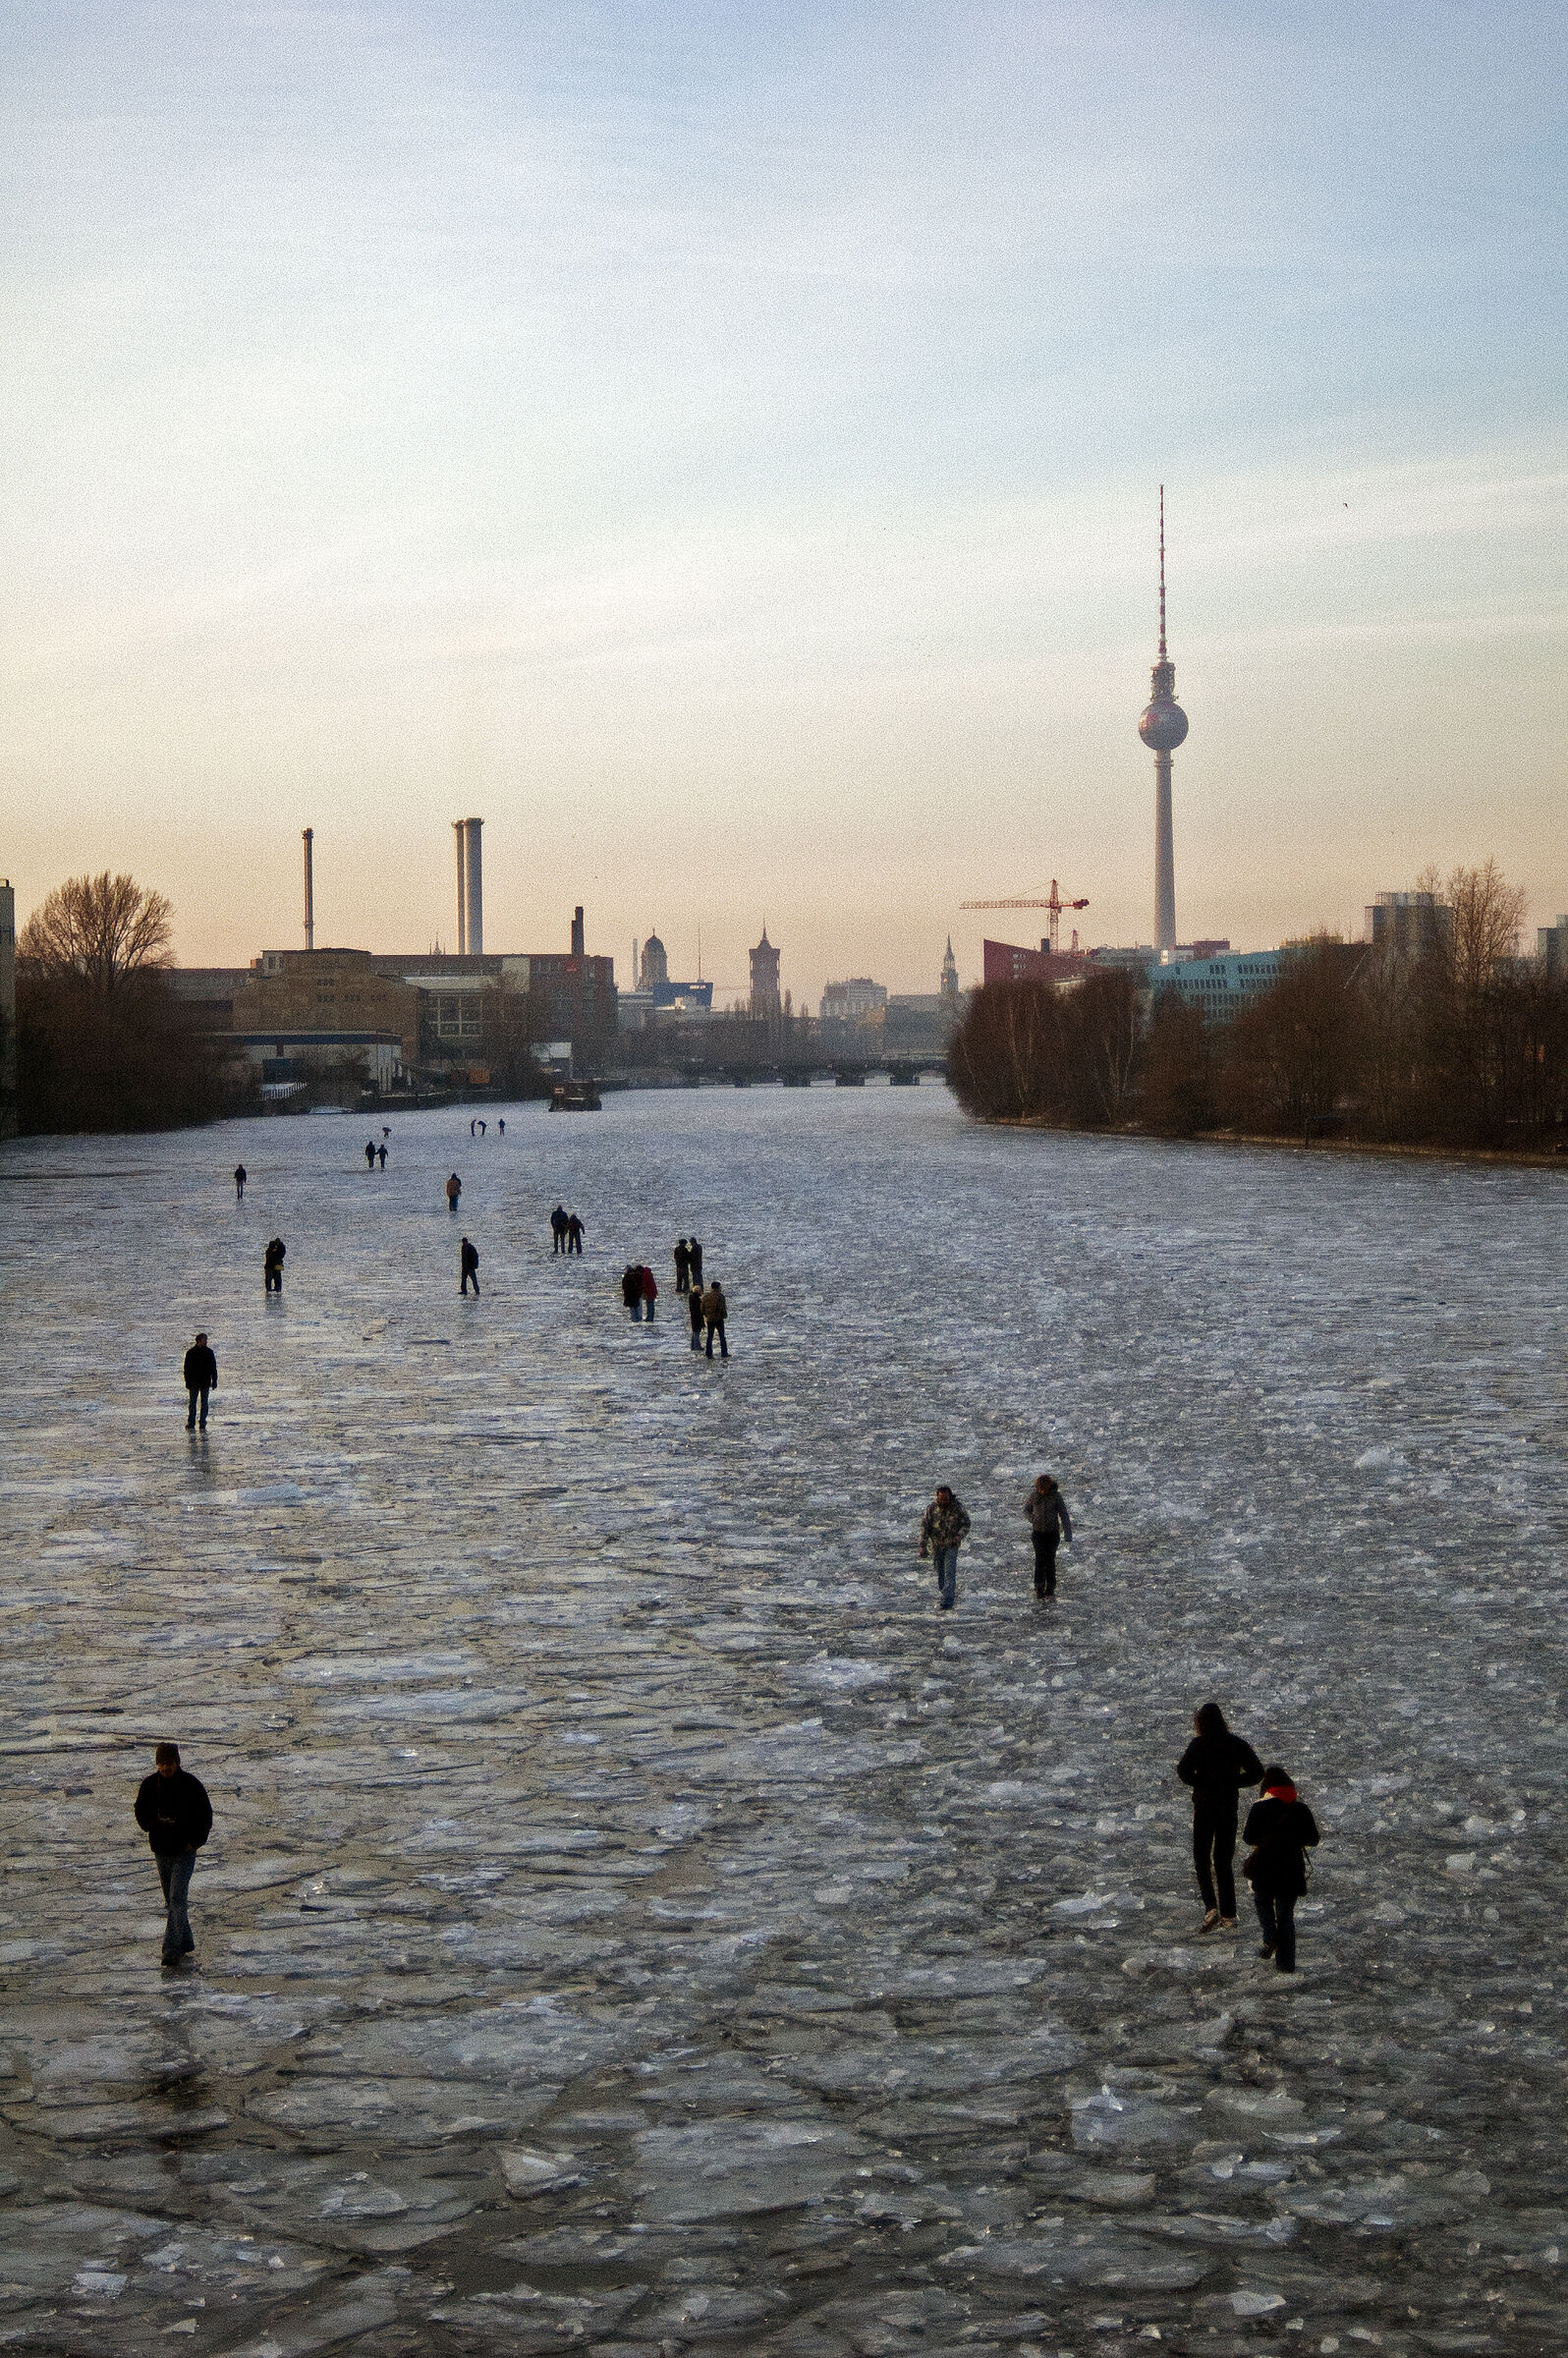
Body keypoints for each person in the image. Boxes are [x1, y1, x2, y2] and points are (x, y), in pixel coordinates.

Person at [1177, 1702, 1265, 1933]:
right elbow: (1258, 1772)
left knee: (1202, 1858)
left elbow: (1183, 1771)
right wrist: (1233, 1782)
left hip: (1205, 1807)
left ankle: (1211, 1908)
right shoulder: (1235, 1744)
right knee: (1223, 1860)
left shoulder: (1198, 1744)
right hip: (1227, 1806)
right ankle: (1229, 1913)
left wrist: (1202, 1783)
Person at [134, 1742, 212, 1968]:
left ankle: (171, 1951)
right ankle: (185, 1940)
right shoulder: (150, 1785)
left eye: (170, 1763)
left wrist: (194, 1841)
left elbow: (205, 1815)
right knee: (172, 1901)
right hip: (161, 1850)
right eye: (162, 1764)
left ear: (177, 1763)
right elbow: (140, 1810)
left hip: (184, 1851)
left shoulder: (191, 1785)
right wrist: (150, 1826)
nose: (166, 1768)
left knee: (177, 1897)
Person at [1243, 1766, 1320, 1974]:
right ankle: (1286, 1966)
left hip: (1265, 1868)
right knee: (1286, 1916)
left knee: (1262, 1901)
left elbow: (1248, 1838)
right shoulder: (1300, 1809)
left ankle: (1270, 1936)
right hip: (1291, 1870)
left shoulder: (1259, 1808)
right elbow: (1313, 1839)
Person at [920, 1485, 971, 1609]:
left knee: (949, 1572)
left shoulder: (957, 1508)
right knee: (940, 1572)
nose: (944, 1501)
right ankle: (944, 1592)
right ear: (937, 1496)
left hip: (951, 1545)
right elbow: (925, 1528)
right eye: (941, 1499)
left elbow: (966, 1523)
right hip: (937, 1546)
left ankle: (948, 1599)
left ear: (950, 1496)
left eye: (946, 1499)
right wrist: (923, 1546)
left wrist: (959, 1536)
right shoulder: (931, 1509)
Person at [1025, 1475, 1073, 1600]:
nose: (1041, 1491)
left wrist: (1068, 1534)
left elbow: (1064, 1515)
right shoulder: (1034, 1496)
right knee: (1040, 1559)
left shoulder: (1056, 1496)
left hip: (1052, 1534)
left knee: (1050, 1560)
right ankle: (1039, 1587)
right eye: (1039, 1489)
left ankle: (1050, 1587)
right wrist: (1032, 1519)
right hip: (1037, 1533)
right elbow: (1026, 1509)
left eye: (1043, 1489)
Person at [183, 1332, 217, 1431]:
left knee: (204, 1403)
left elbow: (213, 1368)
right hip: (194, 1382)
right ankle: (191, 1422)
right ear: (199, 1341)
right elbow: (186, 1369)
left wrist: (214, 1380)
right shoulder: (191, 1353)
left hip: (205, 1382)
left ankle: (202, 1422)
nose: (206, 1342)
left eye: (206, 1340)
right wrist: (187, 1381)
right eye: (204, 1340)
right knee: (193, 1403)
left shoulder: (209, 1352)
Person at [701, 1278, 728, 1359]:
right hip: (718, 1318)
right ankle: (724, 1353)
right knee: (722, 1336)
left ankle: (709, 1353)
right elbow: (722, 1308)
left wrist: (707, 1315)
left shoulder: (706, 1296)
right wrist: (724, 1315)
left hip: (709, 1319)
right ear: (718, 1288)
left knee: (710, 1336)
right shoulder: (720, 1296)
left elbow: (702, 1308)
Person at [688, 1278, 705, 1351]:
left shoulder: (692, 1298)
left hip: (694, 1318)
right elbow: (699, 1310)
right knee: (696, 1333)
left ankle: (693, 1346)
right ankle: (697, 1347)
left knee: (694, 1333)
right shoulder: (697, 1299)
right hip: (697, 1318)